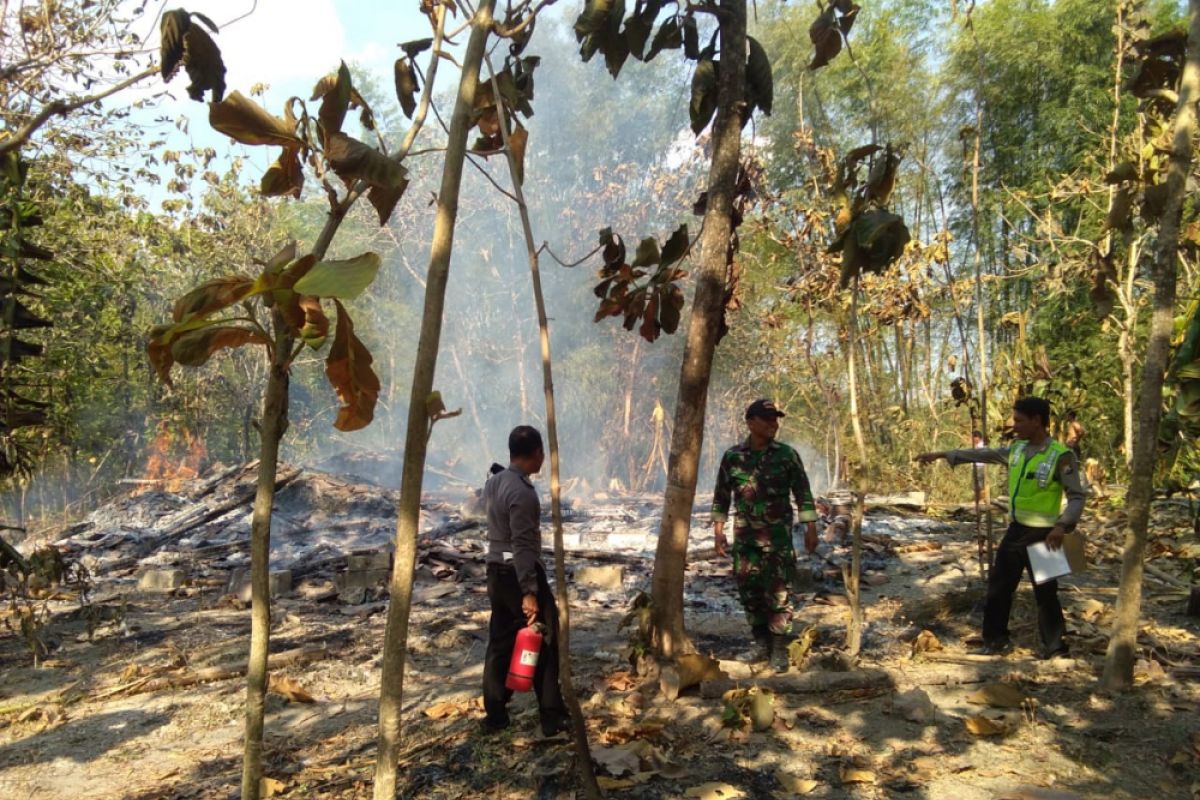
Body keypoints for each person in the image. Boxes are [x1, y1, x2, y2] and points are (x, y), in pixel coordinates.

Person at [915, 397, 1088, 659]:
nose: (1013, 425)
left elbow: (1077, 496)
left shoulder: (1060, 456)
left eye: (1019, 420)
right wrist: (942, 454)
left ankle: (1056, 648)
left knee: (1046, 594)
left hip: (1045, 535)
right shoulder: (1016, 450)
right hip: (1016, 532)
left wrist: (1062, 526)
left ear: (1037, 420)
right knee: (999, 589)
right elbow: (982, 454)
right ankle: (995, 641)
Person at [712, 399, 819, 671]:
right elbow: (722, 495)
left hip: (777, 539)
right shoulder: (733, 456)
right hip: (745, 540)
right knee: (750, 592)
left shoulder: (787, 455)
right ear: (750, 422)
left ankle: (779, 649)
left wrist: (810, 527)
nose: (774, 424)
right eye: (767, 419)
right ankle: (760, 643)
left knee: (780, 592)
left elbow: (803, 493)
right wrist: (718, 530)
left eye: (776, 419)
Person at [481, 426, 570, 736]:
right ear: (535, 453)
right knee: (545, 638)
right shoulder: (522, 492)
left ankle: (495, 714)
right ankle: (551, 716)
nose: (543, 459)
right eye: (541, 453)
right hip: (517, 574)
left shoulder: (494, 483)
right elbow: (521, 545)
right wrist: (529, 591)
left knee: (500, 642)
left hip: (495, 572)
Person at [971, 430, 988, 505]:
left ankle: (981, 500)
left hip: (980, 466)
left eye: (974, 437)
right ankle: (977, 500)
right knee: (975, 485)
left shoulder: (982, 446)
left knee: (980, 484)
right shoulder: (976, 446)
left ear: (978, 437)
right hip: (975, 466)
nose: (973, 439)